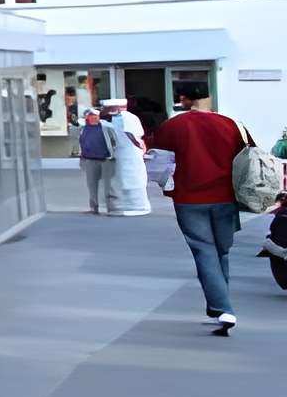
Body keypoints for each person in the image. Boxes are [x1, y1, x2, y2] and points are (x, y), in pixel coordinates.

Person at [147, 79, 249, 334]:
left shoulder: (172, 126)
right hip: (226, 197)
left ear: (183, 99)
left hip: (189, 199)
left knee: (204, 251)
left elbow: (157, 164)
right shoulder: (231, 125)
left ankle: (223, 309)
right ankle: (219, 307)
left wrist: (168, 186)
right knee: (221, 252)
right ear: (208, 96)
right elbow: (249, 157)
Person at [103, 97, 152, 217]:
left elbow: (130, 134)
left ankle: (134, 205)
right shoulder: (117, 118)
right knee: (126, 177)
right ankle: (127, 205)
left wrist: (139, 145)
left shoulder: (125, 117)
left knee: (130, 177)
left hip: (129, 152)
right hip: (124, 152)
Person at [76, 107, 114, 214]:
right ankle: (94, 207)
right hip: (89, 160)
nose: (94, 118)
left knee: (108, 185)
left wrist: (112, 153)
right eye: (91, 116)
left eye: (96, 116)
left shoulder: (106, 127)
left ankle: (110, 207)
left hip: (105, 159)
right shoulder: (83, 128)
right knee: (92, 185)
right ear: (87, 118)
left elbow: (114, 140)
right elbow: (81, 142)